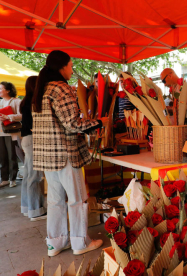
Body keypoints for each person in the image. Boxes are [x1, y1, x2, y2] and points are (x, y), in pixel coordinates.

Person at [32, 50, 107, 256]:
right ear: (62, 66)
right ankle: (80, 243)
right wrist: (100, 122)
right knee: (77, 199)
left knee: (55, 200)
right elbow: (73, 124)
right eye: (71, 65)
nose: (72, 69)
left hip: (47, 155)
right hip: (64, 153)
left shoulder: (42, 89)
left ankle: (55, 243)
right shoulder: (61, 89)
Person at [20, 76, 46, 221]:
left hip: (27, 139)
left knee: (28, 175)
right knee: (34, 177)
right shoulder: (32, 102)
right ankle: (36, 210)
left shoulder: (25, 101)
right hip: (32, 139)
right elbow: (32, 125)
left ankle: (27, 207)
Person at [0, 81, 21, 188]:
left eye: (1, 88)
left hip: (12, 132)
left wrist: (8, 117)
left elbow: (22, 116)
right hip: (1, 132)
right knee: (2, 156)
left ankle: (12, 178)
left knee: (12, 155)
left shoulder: (17, 101)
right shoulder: (0, 102)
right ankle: (4, 179)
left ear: (8, 90)